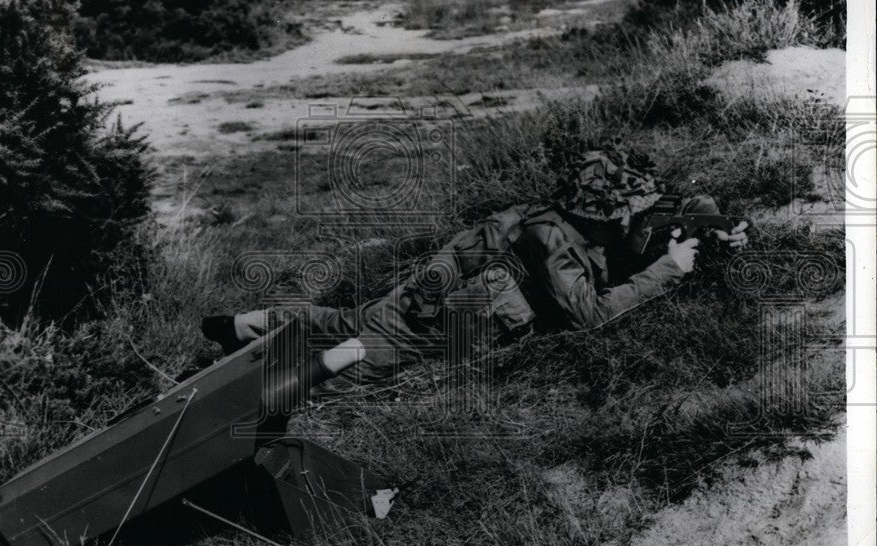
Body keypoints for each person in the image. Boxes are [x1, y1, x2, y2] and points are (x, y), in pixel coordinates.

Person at [200, 149, 749, 387]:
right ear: (604, 214)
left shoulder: (571, 215)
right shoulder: (554, 240)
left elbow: (666, 209)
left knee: (348, 322)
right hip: (436, 320)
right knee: (351, 370)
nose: (639, 218)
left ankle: (246, 325)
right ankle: (245, 389)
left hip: (431, 292)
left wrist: (711, 222)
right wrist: (669, 269)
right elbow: (590, 317)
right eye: (629, 214)